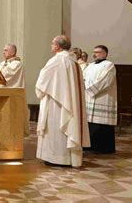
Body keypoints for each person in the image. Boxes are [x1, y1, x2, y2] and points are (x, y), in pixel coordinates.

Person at [36, 35, 90, 167]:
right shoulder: (74, 62)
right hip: (68, 101)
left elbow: (42, 82)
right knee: (64, 126)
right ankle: (68, 158)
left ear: (58, 46)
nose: (51, 46)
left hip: (57, 102)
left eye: (52, 44)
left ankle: (56, 158)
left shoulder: (56, 61)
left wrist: (39, 89)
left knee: (55, 129)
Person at [83, 45, 117, 154]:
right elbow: (83, 77)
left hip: (103, 97)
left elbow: (105, 80)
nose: (94, 54)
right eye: (94, 52)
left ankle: (104, 147)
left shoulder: (109, 65)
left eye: (97, 52)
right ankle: (90, 145)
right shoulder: (90, 65)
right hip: (89, 97)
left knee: (102, 124)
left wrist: (90, 89)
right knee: (91, 124)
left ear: (105, 53)